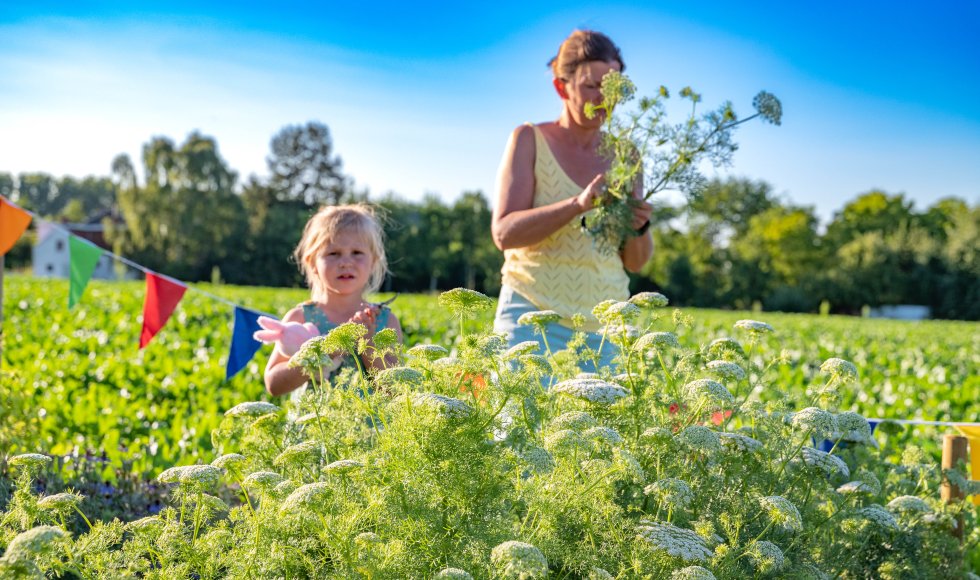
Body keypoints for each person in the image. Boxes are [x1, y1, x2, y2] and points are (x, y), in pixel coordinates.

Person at [491, 29, 654, 370]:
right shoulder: (528, 139)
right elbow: (504, 234)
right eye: (591, 86)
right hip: (531, 319)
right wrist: (576, 205)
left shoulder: (627, 155)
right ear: (561, 87)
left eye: (612, 87)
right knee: (521, 424)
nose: (603, 97)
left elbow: (636, 263)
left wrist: (640, 227)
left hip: (608, 328)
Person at [258, 204, 403, 396]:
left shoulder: (384, 321)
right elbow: (274, 384)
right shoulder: (301, 317)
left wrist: (366, 343)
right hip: (313, 424)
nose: (346, 262)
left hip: (370, 426)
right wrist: (325, 351)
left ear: (373, 261)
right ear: (313, 263)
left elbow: (395, 391)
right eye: (333, 254)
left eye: (357, 253)